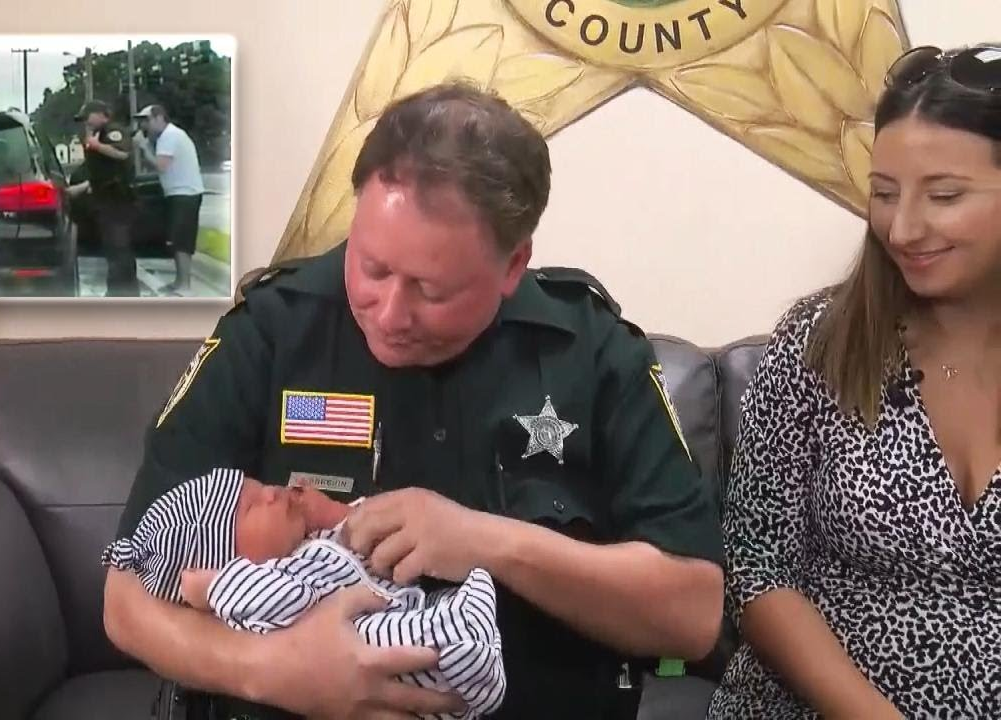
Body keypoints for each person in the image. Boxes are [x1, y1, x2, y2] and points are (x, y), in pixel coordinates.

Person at [104, 80, 725, 719]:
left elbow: (694, 613)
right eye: (371, 268)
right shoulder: (271, 332)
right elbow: (125, 599)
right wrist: (276, 671)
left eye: (431, 290)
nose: (390, 313)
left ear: (514, 266)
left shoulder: (593, 353)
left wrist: (489, 544)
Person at [709, 43, 1001, 719]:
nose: (903, 228)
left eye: (945, 195)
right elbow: (757, 569)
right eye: (884, 194)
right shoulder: (819, 343)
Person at [102, 467, 506, 719]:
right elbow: (278, 598)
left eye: (259, 486)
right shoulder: (253, 589)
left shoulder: (308, 545)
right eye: (250, 507)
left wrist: (336, 515)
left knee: (421, 623)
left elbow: (363, 536)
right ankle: (460, 641)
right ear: (222, 562)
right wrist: (213, 589)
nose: (273, 492)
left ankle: (462, 636)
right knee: (404, 646)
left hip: (399, 605)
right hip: (370, 650)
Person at [135, 104, 205, 294]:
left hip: (185, 194)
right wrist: (148, 144)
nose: (144, 126)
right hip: (179, 193)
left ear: (159, 118)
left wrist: (143, 147)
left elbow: (160, 166)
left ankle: (185, 285)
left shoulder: (169, 136)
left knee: (182, 241)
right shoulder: (167, 137)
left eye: (146, 120)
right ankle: (179, 281)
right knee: (176, 239)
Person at [74, 99, 138, 297]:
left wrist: (97, 145)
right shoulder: (99, 134)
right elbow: (100, 172)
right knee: (113, 248)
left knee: (118, 248)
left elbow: (122, 154)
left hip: (117, 199)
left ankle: (122, 293)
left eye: (88, 117)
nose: (86, 122)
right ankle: (121, 291)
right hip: (104, 198)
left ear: (101, 114)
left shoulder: (113, 131)